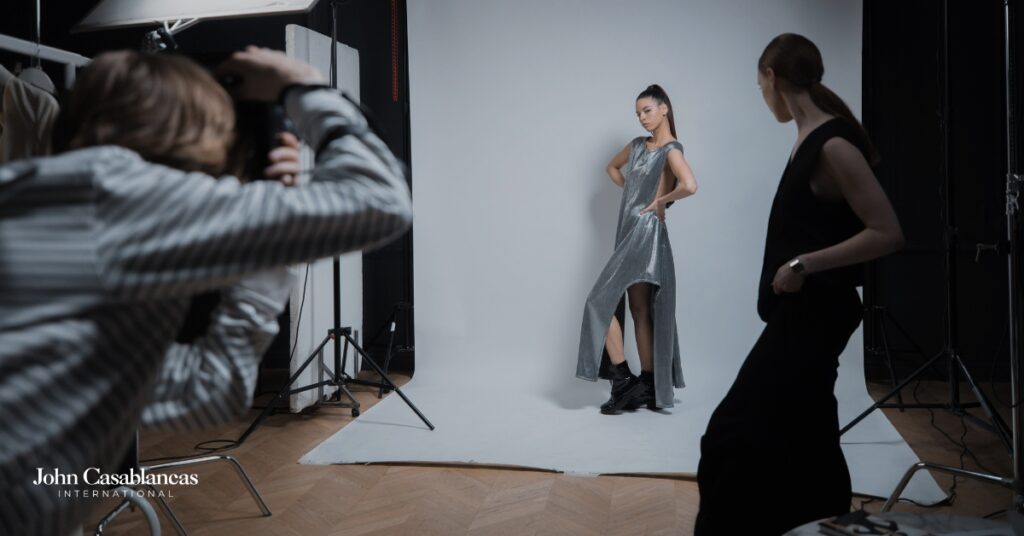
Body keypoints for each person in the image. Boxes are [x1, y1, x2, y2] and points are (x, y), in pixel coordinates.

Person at [0, 47, 412, 536]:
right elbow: (381, 200)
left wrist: (266, 240)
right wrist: (303, 85)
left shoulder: (28, 193)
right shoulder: (128, 189)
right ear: (191, 133)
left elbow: (208, 390)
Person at [694, 33, 905, 535]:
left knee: (729, 434)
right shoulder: (809, 138)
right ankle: (822, 524)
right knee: (809, 438)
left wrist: (805, 264)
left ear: (771, 77)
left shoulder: (831, 143)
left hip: (817, 316)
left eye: (758, 83)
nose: (761, 95)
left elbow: (889, 233)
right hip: (804, 315)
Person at [576, 84, 698, 414]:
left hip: (645, 233)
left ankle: (623, 380)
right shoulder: (636, 146)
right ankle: (646, 382)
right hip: (629, 229)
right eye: (638, 113)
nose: (642, 117)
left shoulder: (671, 150)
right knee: (638, 308)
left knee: (597, 303)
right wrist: (631, 192)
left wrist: (660, 201)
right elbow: (611, 169)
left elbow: (689, 185)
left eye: (647, 110)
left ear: (664, 110)